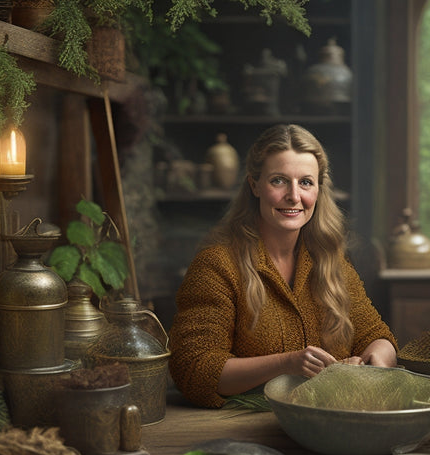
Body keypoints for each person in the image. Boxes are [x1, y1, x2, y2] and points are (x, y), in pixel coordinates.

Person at [168, 124, 397, 408]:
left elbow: (376, 336)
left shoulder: (329, 261)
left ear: (318, 189)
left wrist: (373, 362)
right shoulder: (217, 265)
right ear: (254, 185)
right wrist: (287, 363)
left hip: (329, 422)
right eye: (278, 181)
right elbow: (193, 368)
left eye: (306, 182)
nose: (294, 196)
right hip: (243, 428)